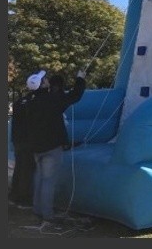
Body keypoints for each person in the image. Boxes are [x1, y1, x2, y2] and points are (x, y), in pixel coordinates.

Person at [26, 69, 87, 227]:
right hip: (51, 147)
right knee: (48, 181)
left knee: (39, 178)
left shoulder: (29, 102)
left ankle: (37, 210)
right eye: (44, 79)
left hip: (35, 147)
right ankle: (48, 215)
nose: (47, 80)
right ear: (42, 84)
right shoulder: (52, 99)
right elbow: (75, 96)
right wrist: (80, 79)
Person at [8, 70, 46, 209]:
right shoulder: (36, 103)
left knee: (19, 168)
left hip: (18, 140)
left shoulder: (20, 101)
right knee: (27, 170)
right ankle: (23, 199)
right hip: (29, 141)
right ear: (40, 85)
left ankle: (14, 195)